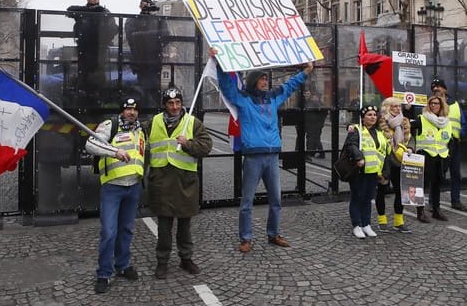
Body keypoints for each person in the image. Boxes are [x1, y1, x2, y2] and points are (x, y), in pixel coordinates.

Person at [211, 48, 314, 252]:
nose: (266, 82)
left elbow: (290, 85)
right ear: (253, 81)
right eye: (262, 79)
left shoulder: (272, 97)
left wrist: (306, 71)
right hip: (253, 157)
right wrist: (218, 61)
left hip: (272, 155)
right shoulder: (243, 98)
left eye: (267, 79)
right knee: (247, 200)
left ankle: (273, 234)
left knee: (276, 199)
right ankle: (245, 238)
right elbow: (226, 86)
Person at [146, 87, 212, 279]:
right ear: (164, 105)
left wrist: (188, 144)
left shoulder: (192, 122)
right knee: (164, 226)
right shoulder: (154, 122)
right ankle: (162, 261)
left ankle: (186, 259)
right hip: (161, 182)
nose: (175, 107)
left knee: (185, 226)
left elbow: (207, 146)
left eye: (177, 103)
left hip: (185, 182)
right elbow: (137, 136)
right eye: (170, 103)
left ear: (182, 103)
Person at [85, 98, 145, 294]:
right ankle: (103, 273)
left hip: (133, 186)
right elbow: (90, 144)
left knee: (126, 230)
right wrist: (113, 151)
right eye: (128, 109)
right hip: (113, 187)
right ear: (122, 111)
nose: (131, 112)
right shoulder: (110, 125)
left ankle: (123, 265)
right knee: (109, 232)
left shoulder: (140, 129)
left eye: (135, 110)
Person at [342, 105, 390, 239]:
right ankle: (357, 225)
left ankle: (366, 224)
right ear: (363, 118)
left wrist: (385, 172)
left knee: (368, 199)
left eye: (374, 115)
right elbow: (351, 145)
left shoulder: (379, 133)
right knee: (357, 197)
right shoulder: (356, 130)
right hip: (359, 170)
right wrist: (359, 157)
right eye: (369, 115)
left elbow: (384, 153)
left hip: (374, 172)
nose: (372, 117)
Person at [67, 0, 118, 105]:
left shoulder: (104, 13)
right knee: (83, 77)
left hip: (99, 51)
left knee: (98, 79)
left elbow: (114, 29)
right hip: (84, 51)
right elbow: (69, 11)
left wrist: (101, 17)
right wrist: (89, 11)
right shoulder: (82, 12)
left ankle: (97, 101)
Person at [410, 95, 452, 222]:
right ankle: (420, 211)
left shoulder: (447, 122)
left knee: (437, 184)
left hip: (442, 157)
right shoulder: (421, 119)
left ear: (442, 106)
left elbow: (449, 140)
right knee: (422, 185)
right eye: (431, 103)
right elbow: (407, 130)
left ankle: (436, 210)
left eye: (437, 103)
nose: (434, 105)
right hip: (426, 156)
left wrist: (448, 154)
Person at [125, 0, 170, 107]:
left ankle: (153, 110)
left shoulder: (158, 21)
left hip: (154, 62)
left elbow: (166, 36)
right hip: (140, 63)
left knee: (154, 91)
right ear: (140, 5)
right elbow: (132, 37)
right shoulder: (134, 20)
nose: (146, 7)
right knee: (142, 91)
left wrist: (152, 19)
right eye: (145, 4)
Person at [375, 97, 412, 233]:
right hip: (385, 162)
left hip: (400, 161)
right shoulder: (380, 121)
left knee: (400, 192)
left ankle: (399, 221)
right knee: (382, 190)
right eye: (394, 106)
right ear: (387, 107)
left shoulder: (405, 121)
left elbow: (410, 139)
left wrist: (410, 149)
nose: (397, 108)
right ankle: (382, 220)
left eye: (399, 106)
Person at [430, 78, 467, 211]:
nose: (436, 90)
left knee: (456, 173)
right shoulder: (431, 105)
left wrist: (460, 135)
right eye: (434, 89)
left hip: (454, 144)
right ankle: (433, 202)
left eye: (438, 87)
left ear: (445, 89)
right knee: (438, 174)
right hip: (439, 144)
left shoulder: (455, 104)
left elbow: (462, 122)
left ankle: (455, 201)